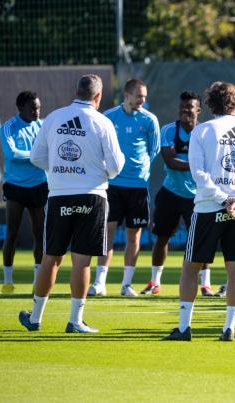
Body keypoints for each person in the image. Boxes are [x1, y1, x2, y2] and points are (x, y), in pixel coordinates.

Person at [162, 82, 235, 342]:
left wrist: (224, 200)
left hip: (209, 208)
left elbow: (198, 174)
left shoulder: (203, 130)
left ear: (209, 104)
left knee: (190, 266)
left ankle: (185, 328)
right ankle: (229, 328)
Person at [18, 74, 125, 333]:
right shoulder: (103, 122)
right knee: (82, 262)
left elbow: (36, 157)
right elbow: (115, 167)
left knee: (50, 259)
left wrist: (61, 170)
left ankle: (35, 318)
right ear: (98, 96)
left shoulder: (53, 117)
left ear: (75, 92)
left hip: (59, 195)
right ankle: (75, 321)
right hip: (92, 195)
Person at [88, 79, 160, 297]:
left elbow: (153, 150)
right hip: (112, 184)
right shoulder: (109, 116)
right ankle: (100, 282)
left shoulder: (150, 120)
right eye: (139, 96)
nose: (142, 100)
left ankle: (126, 284)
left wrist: (139, 170)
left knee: (134, 235)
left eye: (144, 96)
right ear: (127, 95)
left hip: (138, 185)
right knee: (107, 232)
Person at [143, 91, 215, 296]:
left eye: (190, 107)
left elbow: (209, 163)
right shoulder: (168, 131)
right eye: (183, 106)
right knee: (162, 238)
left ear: (198, 110)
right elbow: (170, 161)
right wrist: (197, 166)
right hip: (171, 193)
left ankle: (205, 285)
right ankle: (155, 282)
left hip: (198, 196)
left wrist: (198, 167)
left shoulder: (205, 132)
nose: (185, 110)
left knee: (201, 240)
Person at [1, 91, 47, 293]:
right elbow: (12, 154)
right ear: (20, 109)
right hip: (15, 187)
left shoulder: (43, 125)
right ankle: (7, 281)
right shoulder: (8, 127)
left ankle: (37, 281)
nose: (37, 112)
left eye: (38, 107)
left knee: (40, 234)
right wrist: (37, 155)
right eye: (32, 108)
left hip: (39, 185)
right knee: (12, 234)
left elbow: (51, 149)